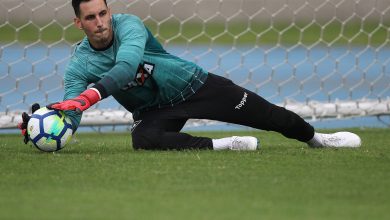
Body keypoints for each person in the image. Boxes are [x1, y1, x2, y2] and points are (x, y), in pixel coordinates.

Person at [19, 0, 361, 150]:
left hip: (195, 85)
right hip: (154, 111)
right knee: (143, 141)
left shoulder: (129, 26)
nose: (101, 22)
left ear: (111, 11)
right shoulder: (79, 65)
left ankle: (317, 140)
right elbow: (73, 114)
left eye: (103, 13)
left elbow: (124, 69)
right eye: (91, 17)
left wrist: (87, 98)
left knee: (270, 116)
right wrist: (49, 121)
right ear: (78, 23)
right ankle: (227, 145)